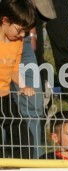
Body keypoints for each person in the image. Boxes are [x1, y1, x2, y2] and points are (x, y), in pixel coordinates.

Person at [0, 0, 37, 159]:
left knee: (22, 134)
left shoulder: (18, 42)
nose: (22, 35)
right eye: (20, 30)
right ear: (5, 20)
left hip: (4, 96)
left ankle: (22, 168)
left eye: (26, 32)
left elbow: (14, 69)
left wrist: (23, 86)